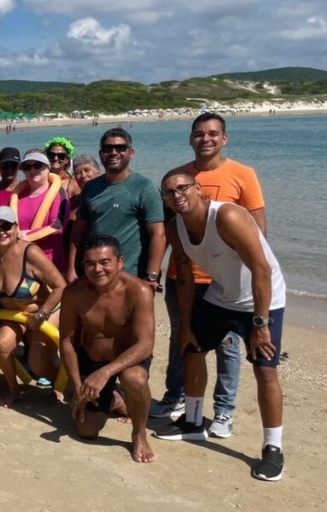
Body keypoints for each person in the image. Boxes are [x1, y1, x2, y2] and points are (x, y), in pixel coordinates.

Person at [154, 170, 287, 482]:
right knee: (192, 348)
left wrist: (260, 323)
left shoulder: (227, 216)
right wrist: (185, 326)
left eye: (183, 188)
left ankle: (273, 448)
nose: (177, 195)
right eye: (169, 192)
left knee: (265, 370)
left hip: (263, 299)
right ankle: (193, 422)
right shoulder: (176, 228)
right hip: (221, 296)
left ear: (200, 190)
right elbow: (185, 278)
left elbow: (262, 270)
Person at [150, 113, 269, 439]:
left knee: (228, 347)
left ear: (224, 138)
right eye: (199, 134)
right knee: (183, 340)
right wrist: (158, 269)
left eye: (213, 134)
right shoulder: (178, 178)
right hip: (183, 276)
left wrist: (247, 275)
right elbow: (170, 229)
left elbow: (258, 230)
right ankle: (177, 398)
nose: (206, 139)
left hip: (224, 281)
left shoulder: (243, 174)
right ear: (190, 139)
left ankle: (224, 412)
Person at [59, 235, 156, 463]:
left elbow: (145, 345)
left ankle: (139, 433)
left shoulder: (138, 291)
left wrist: (105, 373)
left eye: (104, 262)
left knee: (135, 379)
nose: (97, 269)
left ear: (120, 261)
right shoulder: (74, 292)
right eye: (90, 263)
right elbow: (67, 341)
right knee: (86, 431)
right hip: (91, 360)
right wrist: (76, 384)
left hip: (127, 359)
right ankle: (116, 400)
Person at [0, 206, 67, 405]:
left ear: (16, 227)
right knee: (2, 346)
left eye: (6, 226)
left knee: (37, 363)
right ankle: (14, 389)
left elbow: (60, 286)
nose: (1, 232)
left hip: (43, 310)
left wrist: (42, 313)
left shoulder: (30, 253)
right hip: (13, 314)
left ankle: (58, 386)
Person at [66, 128, 165, 289]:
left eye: (120, 148)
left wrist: (151, 276)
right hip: (95, 274)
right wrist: (71, 269)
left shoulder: (144, 187)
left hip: (131, 277)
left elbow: (158, 234)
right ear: (100, 154)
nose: (113, 152)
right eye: (107, 148)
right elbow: (77, 233)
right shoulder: (90, 188)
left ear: (131, 152)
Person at [10, 150, 70, 272]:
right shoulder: (16, 197)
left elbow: (58, 226)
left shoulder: (58, 193)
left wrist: (26, 236)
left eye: (38, 165)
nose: (32, 171)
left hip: (51, 261)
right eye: (27, 167)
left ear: (48, 168)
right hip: (22, 261)